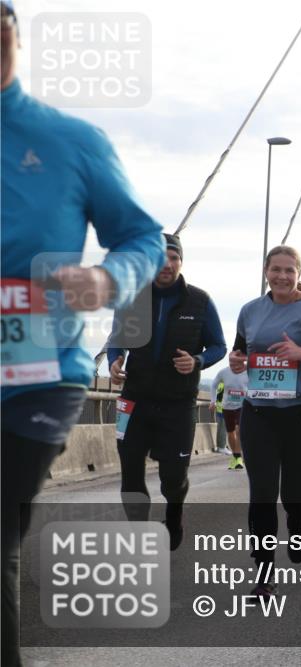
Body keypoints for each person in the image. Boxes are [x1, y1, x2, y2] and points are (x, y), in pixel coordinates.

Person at [1, 2, 165, 661]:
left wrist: (108, 280)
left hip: (40, 370)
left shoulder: (72, 141)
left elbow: (143, 236)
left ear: (14, 37)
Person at [229, 246, 301, 597]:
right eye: (275, 269)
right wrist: (237, 362)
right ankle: (264, 573)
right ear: (266, 271)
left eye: (288, 270)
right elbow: (240, 352)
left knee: (294, 497)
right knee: (262, 495)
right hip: (260, 413)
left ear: (298, 273)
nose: (281, 276)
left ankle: (297, 524)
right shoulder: (250, 311)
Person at [108, 233, 226, 549]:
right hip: (134, 400)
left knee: (173, 479)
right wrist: (114, 360)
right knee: (131, 475)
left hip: (178, 403)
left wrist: (199, 360)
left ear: (180, 262)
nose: (167, 264)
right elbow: (116, 339)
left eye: (173, 257)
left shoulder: (200, 301)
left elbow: (219, 346)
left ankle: (174, 516)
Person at [212, 365, 250, 469]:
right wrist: (212, 401)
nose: (234, 362)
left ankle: (238, 458)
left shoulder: (248, 371)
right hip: (227, 406)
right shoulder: (224, 372)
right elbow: (214, 385)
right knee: (230, 432)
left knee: (239, 430)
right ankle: (236, 456)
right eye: (231, 360)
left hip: (242, 405)